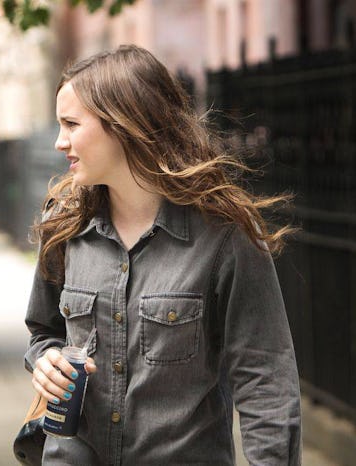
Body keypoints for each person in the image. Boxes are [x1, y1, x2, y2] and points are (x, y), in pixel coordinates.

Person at [25, 45, 300, 465]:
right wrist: (45, 359)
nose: (60, 141)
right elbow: (43, 331)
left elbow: (266, 384)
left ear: (124, 123)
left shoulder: (224, 235)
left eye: (71, 124)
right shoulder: (63, 225)